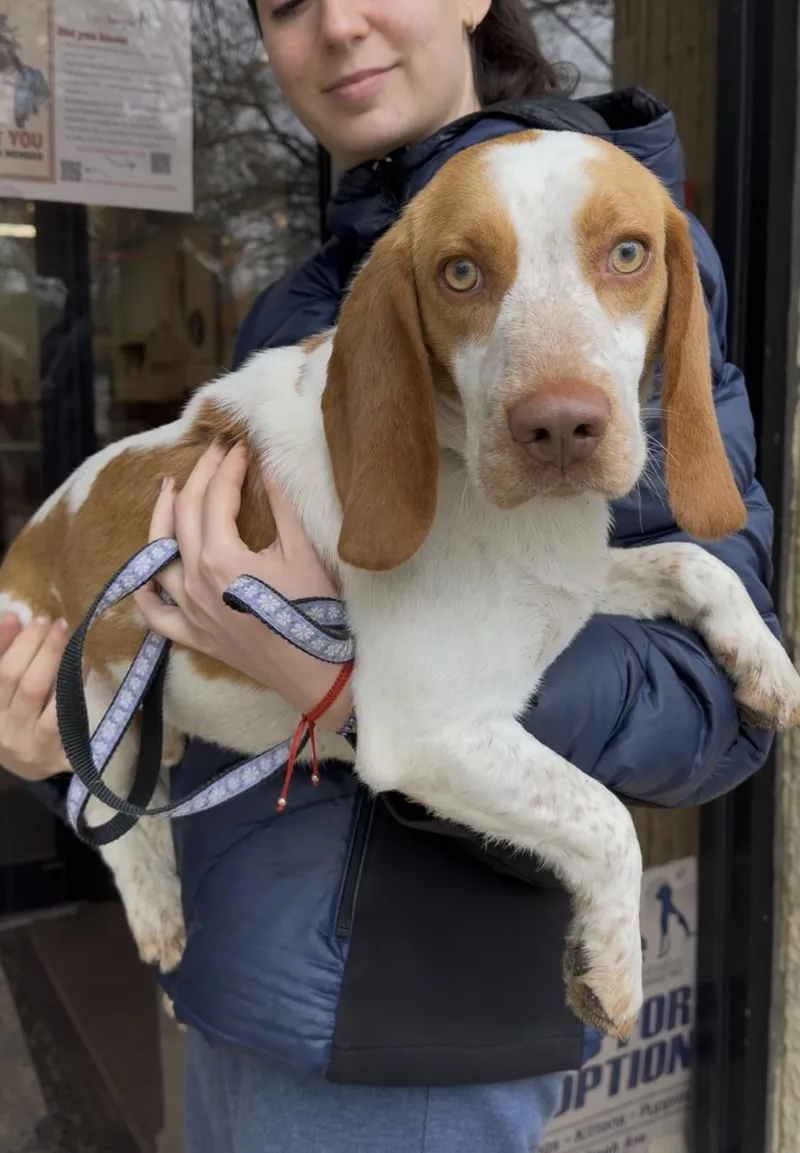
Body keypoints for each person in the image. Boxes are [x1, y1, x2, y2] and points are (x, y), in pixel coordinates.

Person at [0, 1, 778, 1149]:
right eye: (287, 2)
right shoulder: (305, 301)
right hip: (232, 976)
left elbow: (705, 715)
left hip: (406, 1034)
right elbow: (191, 639)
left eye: (618, 260)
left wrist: (350, 683)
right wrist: (61, 751)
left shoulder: (629, 225)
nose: (337, 26)